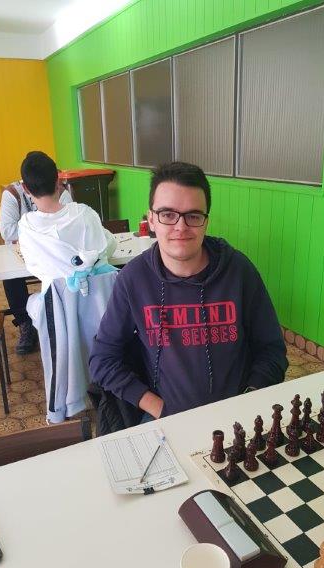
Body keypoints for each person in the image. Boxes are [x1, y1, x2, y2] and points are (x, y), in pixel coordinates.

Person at [89, 161, 288, 421]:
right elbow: (103, 359)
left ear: (206, 222)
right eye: (167, 214)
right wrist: (160, 409)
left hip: (238, 417)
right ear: (151, 219)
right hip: (165, 418)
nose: (181, 227)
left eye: (193, 216)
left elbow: (272, 349)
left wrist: (249, 398)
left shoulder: (239, 271)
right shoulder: (133, 279)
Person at [17, 151, 118, 423]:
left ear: (26, 188)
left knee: (38, 305)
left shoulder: (28, 227)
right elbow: (106, 245)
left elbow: (34, 267)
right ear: (59, 180)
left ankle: (67, 404)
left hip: (59, 311)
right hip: (100, 306)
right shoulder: (84, 214)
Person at [0, 169, 72, 355]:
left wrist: (34, 231)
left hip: (53, 253)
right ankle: (25, 323)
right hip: (21, 253)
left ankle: (64, 317)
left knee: (68, 269)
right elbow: (7, 231)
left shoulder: (61, 191)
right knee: (11, 277)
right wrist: (45, 230)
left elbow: (71, 224)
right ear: (25, 186)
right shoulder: (12, 194)